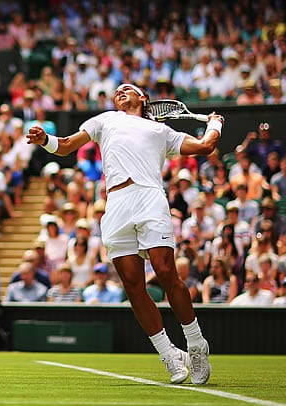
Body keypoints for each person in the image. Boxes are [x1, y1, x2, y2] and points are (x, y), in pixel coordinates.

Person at [26, 83, 221, 384]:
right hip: (116, 204)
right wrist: (45, 140)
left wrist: (214, 126)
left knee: (166, 272)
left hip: (149, 198)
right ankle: (169, 354)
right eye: (117, 90)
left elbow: (205, 147)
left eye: (127, 89)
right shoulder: (105, 120)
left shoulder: (162, 133)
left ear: (143, 98)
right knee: (132, 285)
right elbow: (65, 145)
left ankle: (195, 344)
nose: (120, 91)